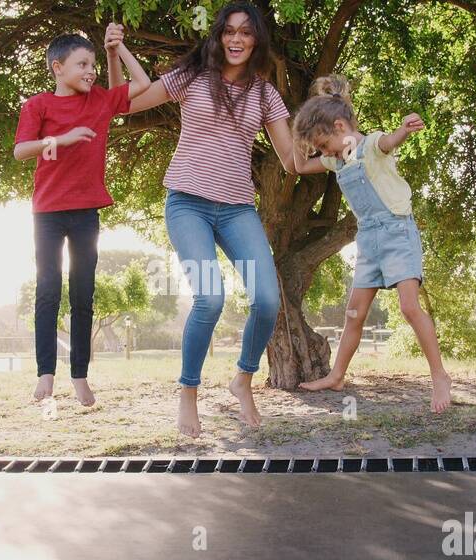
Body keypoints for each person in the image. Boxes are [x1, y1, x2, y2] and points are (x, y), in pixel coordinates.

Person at [124, 2, 298, 437]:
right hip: (188, 204)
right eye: (229, 31)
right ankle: (189, 393)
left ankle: (243, 377)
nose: (236, 39)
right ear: (218, 36)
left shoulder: (265, 94)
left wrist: (339, 145)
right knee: (210, 299)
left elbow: (292, 161)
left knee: (267, 299)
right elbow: (130, 103)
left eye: (245, 32)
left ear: (256, 40)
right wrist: (117, 53)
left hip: (238, 208)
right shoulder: (193, 76)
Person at [291, 74, 452, 414]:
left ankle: (439, 376)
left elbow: (390, 141)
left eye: (323, 144)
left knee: (409, 307)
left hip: (397, 234)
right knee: (354, 314)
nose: (322, 152)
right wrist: (291, 133)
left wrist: (406, 130)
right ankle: (336, 376)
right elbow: (299, 166)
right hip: (368, 240)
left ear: (339, 126)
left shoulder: (371, 145)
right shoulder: (337, 161)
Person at [13, 24, 149, 406]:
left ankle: (80, 376)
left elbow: (141, 81)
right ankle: (45, 375)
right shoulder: (37, 105)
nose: (90, 71)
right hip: (47, 213)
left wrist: (116, 49)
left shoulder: (100, 101)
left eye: (92, 64)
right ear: (57, 68)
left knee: (83, 294)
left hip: (86, 211)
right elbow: (21, 150)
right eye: (82, 64)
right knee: (48, 292)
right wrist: (61, 139)